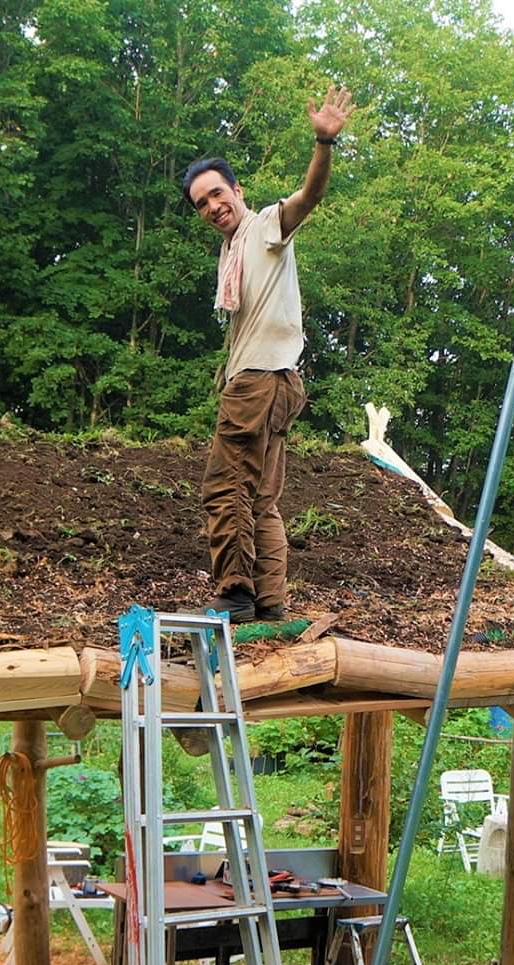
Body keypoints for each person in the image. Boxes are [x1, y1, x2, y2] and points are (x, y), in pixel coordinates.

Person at [182, 83, 354, 623]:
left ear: (238, 189)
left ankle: (235, 595)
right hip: (278, 382)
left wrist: (322, 144)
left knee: (223, 485)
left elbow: (308, 199)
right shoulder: (232, 252)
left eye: (217, 193)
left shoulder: (263, 229)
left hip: (259, 382)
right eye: (201, 203)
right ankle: (271, 602)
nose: (212, 206)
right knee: (260, 499)